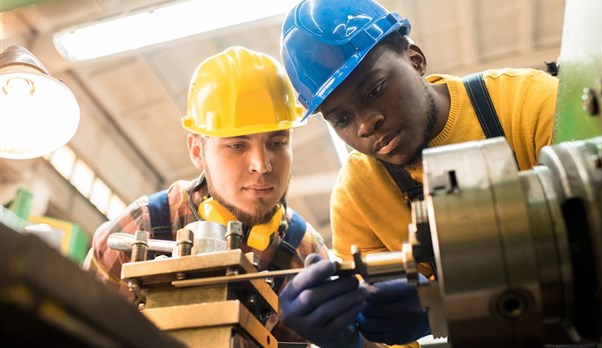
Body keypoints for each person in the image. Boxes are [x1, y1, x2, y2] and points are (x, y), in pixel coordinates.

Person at [277, 0, 558, 347]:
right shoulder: (356, 198)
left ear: (415, 59)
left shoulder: (526, 104)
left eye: (375, 89)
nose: (366, 124)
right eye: (342, 119)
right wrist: (345, 338)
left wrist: (447, 300)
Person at [82, 46, 331, 342]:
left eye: (277, 143)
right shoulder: (138, 230)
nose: (262, 165)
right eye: (237, 145)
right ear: (197, 151)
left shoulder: (306, 255)